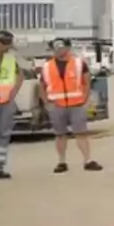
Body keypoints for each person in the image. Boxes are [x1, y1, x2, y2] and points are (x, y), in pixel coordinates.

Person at [41, 38, 103, 173]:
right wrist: (46, 102)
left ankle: (88, 160)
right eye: (55, 47)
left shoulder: (79, 63)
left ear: (68, 48)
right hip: (56, 105)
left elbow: (87, 82)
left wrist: (85, 100)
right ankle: (61, 162)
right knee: (60, 135)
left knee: (81, 133)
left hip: (77, 104)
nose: (58, 50)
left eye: (61, 47)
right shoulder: (47, 66)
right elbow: (42, 85)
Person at [0, 30, 20, 180]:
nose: (9, 49)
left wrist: (12, 94)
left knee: (3, 136)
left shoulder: (9, 59)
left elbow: (19, 76)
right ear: (0, 43)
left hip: (5, 104)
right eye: (7, 45)